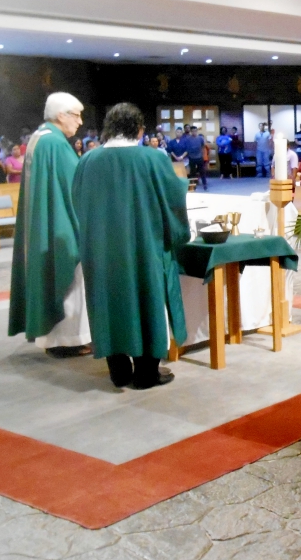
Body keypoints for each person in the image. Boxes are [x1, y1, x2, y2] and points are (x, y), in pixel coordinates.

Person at [72, 103, 187, 389]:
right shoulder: (151, 159)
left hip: (100, 250)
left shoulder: (87, 161)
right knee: (145, 301)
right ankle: (147, 374)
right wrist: (177, 235)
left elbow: (77, 204)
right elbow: (173, 201)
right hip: (142, 247)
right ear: (138, 129)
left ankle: (119, 372)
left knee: (108, 304)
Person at [8, 92, 92, 359]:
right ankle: (67, 340)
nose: (79, 122)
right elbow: (77, 184)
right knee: (70, 277)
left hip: (45, 221)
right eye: (76, 116)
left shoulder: (39, 137)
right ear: (60, 115)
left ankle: (56, 338)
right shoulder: (55, 143)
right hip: (60, 223)